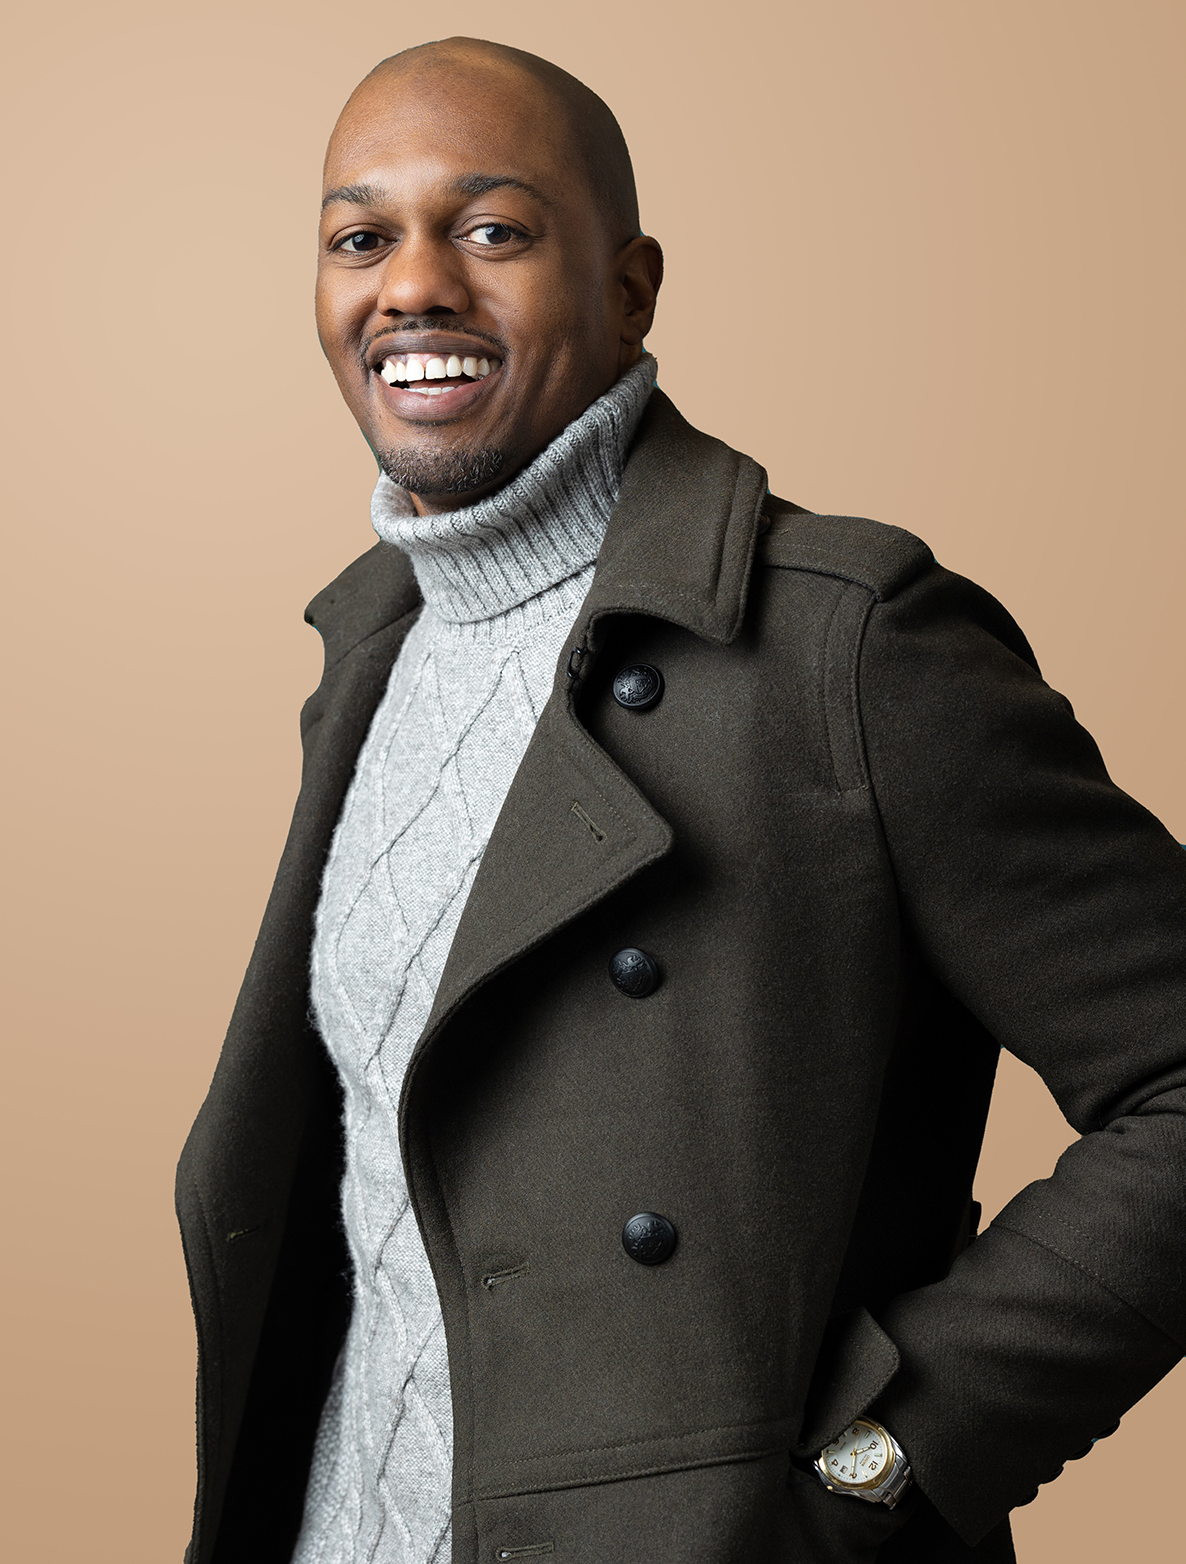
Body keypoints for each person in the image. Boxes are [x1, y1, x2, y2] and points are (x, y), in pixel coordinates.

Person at [175, 37, 1186, 1564]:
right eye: (360, 237)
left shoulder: (845, 640)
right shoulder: (369, 654)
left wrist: (889, 1464)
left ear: (634, 286)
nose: (413, 287)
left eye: (494, 229)